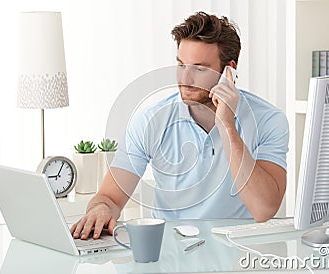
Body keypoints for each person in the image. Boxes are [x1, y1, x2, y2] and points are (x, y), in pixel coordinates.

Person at [71, 11, 289, 240]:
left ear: (229, 71)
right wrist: (100, 209)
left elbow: (264, 209)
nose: (186, 78)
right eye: (181, 65)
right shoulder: (150, 120)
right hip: (170, 255)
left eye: (200, 68)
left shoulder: (268, 120)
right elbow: (110, 198)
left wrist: (227, 126)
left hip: (236, 255)